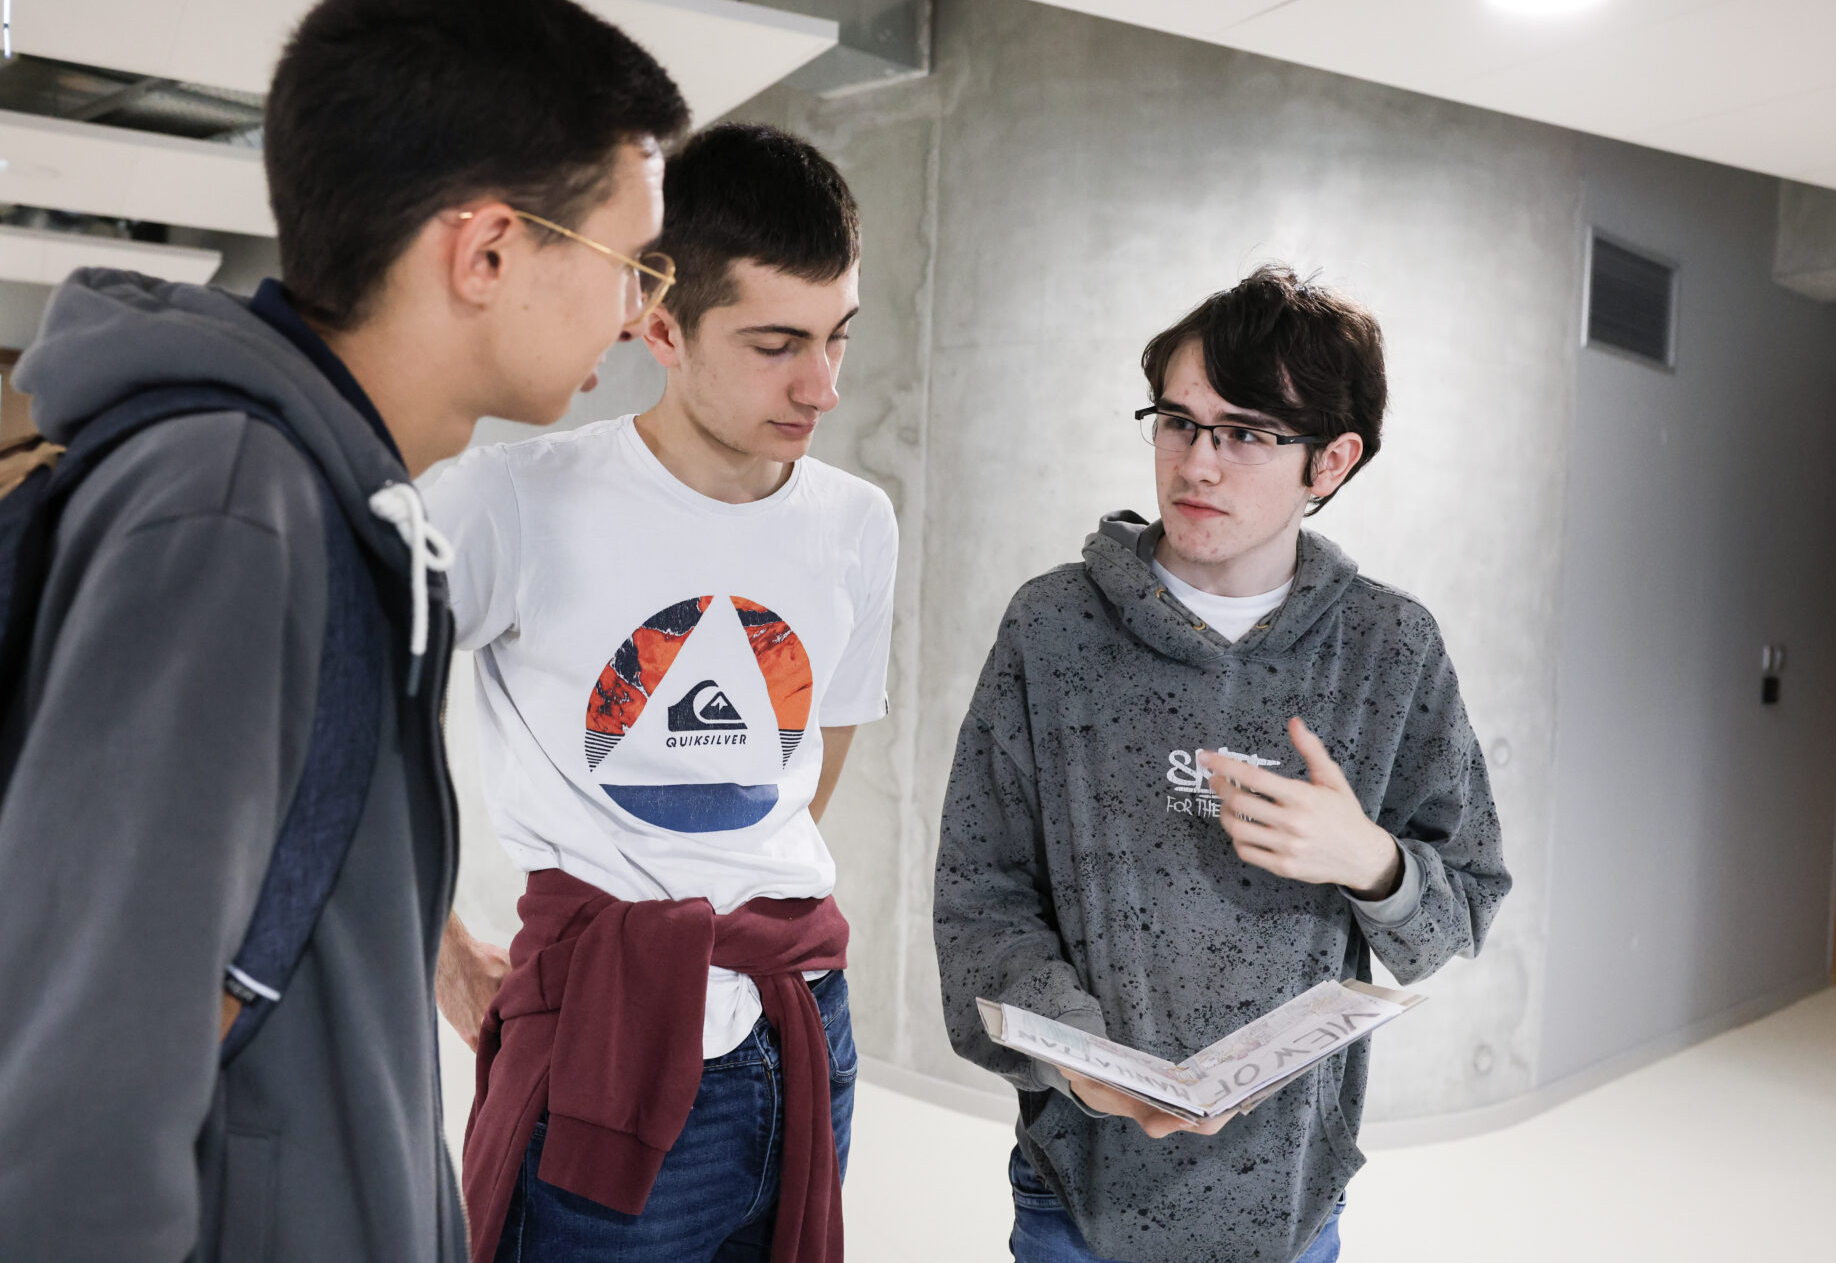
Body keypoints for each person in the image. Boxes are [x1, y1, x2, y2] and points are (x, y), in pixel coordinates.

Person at [0, 0, 687, 1258]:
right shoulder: (233, 512)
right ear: (484, 251)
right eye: (628, 262)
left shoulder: (331, 503)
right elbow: (86, 1089)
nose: (641, 315)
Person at [934, 265, 1512, 1263]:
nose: (1198, 463)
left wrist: (1369, 859)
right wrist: (1085, 1063)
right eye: (1177, 421)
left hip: (1291, 1194)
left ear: (1329, 461)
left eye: (1246, 433)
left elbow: (1463, 902)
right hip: (1079, 1182)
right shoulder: (1054, 627)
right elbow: (981, 902)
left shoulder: (1390, 648)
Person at [429, 122, 895, 1263]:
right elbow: (327, 712)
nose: (822, 387)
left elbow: (799, 768)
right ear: (661, 322)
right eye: (778, 343)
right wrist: (433, 938)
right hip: (609, 1024)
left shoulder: (855, 522)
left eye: (838, 337)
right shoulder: (514, 500)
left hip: (799, 1022)